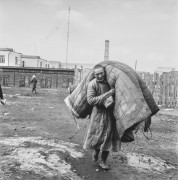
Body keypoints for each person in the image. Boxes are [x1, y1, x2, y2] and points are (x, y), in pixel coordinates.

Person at [83, 64, 120, 170]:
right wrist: (107, 94)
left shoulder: (110, 83)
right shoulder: (92, 84)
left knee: (108, 137)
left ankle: (103, 161)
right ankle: (96, 151)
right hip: (97, 114)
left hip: (109, 114)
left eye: (101, 73)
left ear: (105, 72)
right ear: (94, 75)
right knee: (97, 135)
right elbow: (90, 100)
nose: (99, 76)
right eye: (97, 74)